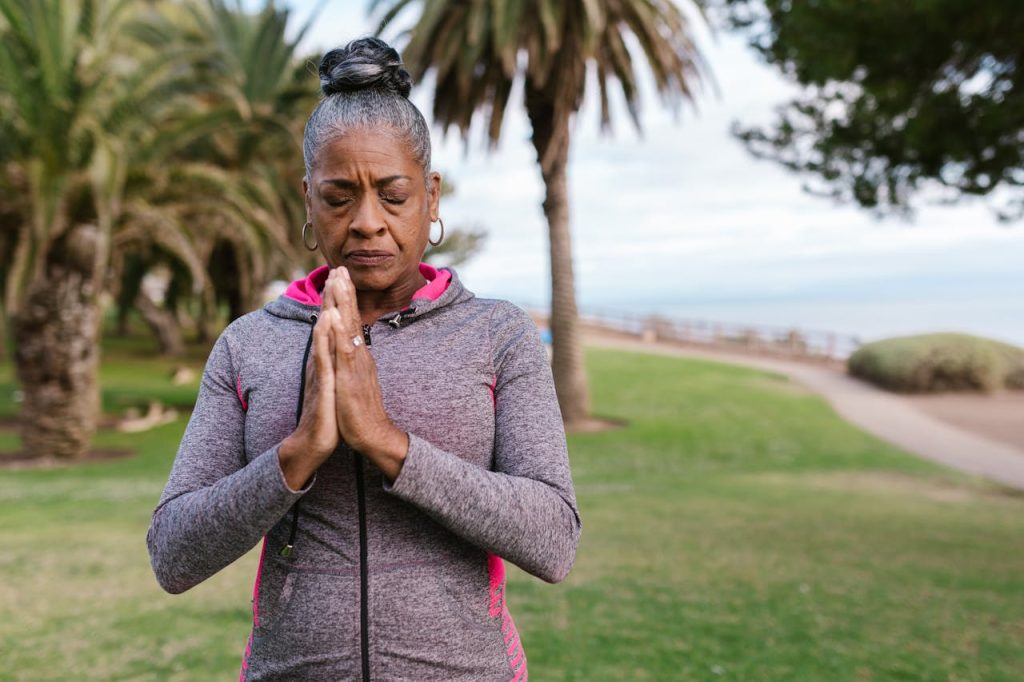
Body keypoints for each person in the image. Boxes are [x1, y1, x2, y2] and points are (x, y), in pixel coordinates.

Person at [146, 37, 582, 681]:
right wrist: (297, 455)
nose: (367, 222)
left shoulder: (497, 335)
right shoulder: (248, 344)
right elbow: (173, 555)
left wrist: (387, 444)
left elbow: (553, 539)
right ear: (308, 200)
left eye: (394, 194)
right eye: (339, 195)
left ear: (431, 197)